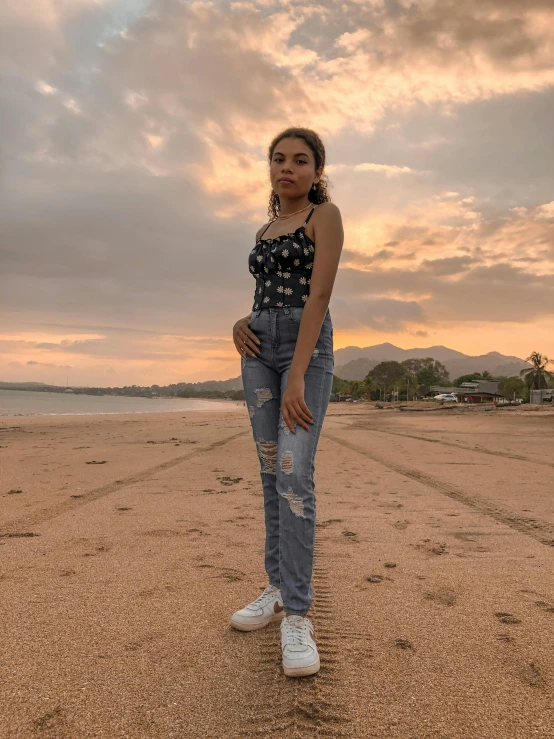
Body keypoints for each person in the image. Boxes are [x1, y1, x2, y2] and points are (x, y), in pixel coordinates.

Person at [229, 127, 343, 678]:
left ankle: (298, 612)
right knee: (271, 471)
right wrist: (240, 323)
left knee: (296, 474)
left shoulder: (325, 216)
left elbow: (318, 294)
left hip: (306, 350)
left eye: (300, 160)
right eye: (278, 159)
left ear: (317, 171)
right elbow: (263, 295)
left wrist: (298, 372)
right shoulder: (265, 227)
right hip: (258, 351)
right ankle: (274, 589)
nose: (287, 168)